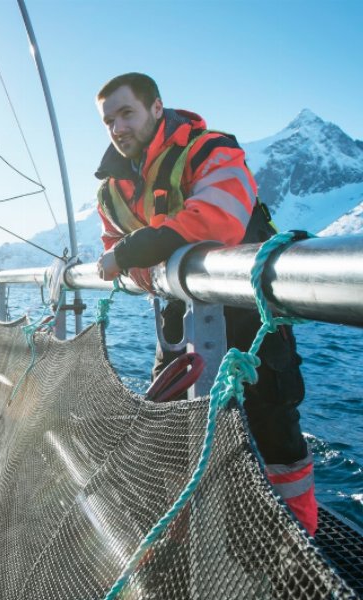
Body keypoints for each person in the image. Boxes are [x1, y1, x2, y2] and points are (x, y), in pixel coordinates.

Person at [93, 72, 317, 536]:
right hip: (177, 313)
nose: (117, 128)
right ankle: (179, 535)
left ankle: (296, 548)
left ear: (157, 108)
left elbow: (221, 219)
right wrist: (140, 263)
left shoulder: (210, 149)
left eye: (126, 112)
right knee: (169, 426)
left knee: (274, 427)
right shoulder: (110, 190)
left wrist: (135, 255)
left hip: (251, 309)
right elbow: (112, 248)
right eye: (108, 120)